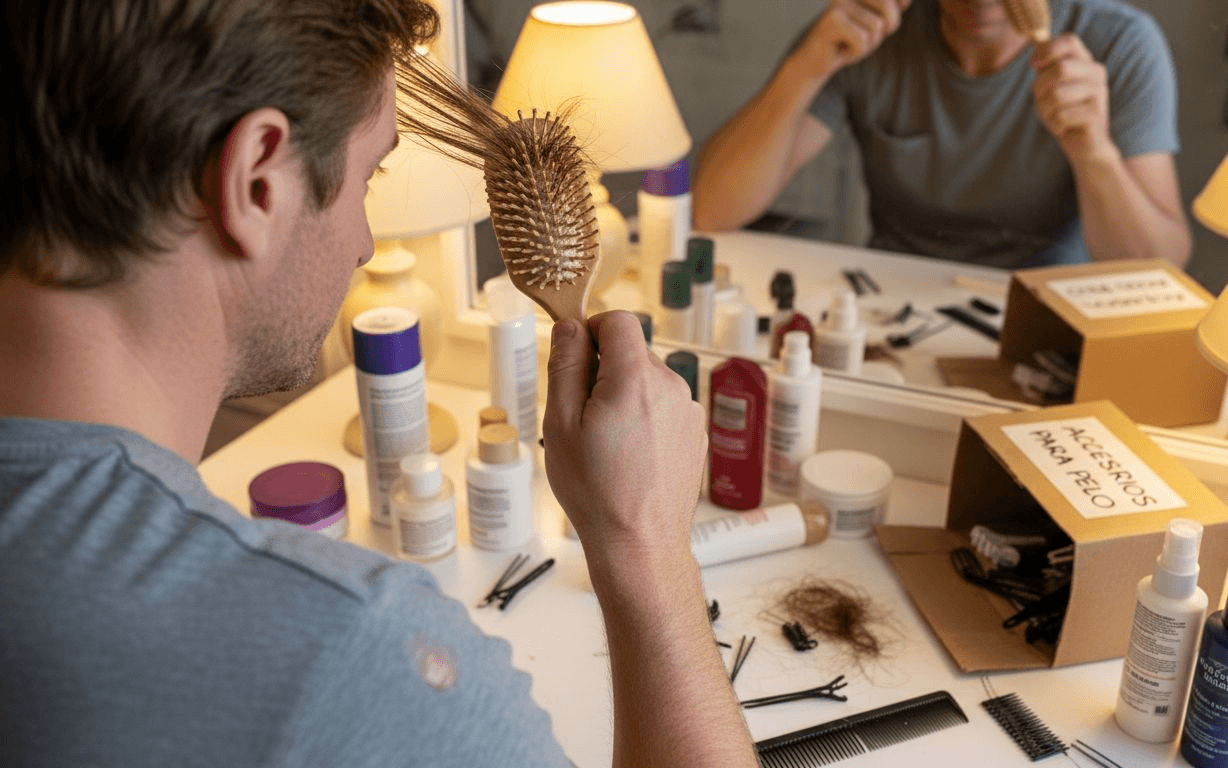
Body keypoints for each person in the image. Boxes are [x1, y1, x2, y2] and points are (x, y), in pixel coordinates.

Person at [0, 2, 754, 766]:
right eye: (370, 175)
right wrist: (648, 549)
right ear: (258, 180)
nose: (364, 244)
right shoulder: (354, 658)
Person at [693, 0, 1192, 270]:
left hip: (1045, 305)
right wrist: (803, 71)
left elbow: (1157, 268)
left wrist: (1095, 153)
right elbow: (713, 209)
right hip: (896, 295)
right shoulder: (870, 32)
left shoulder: (1119, 40)